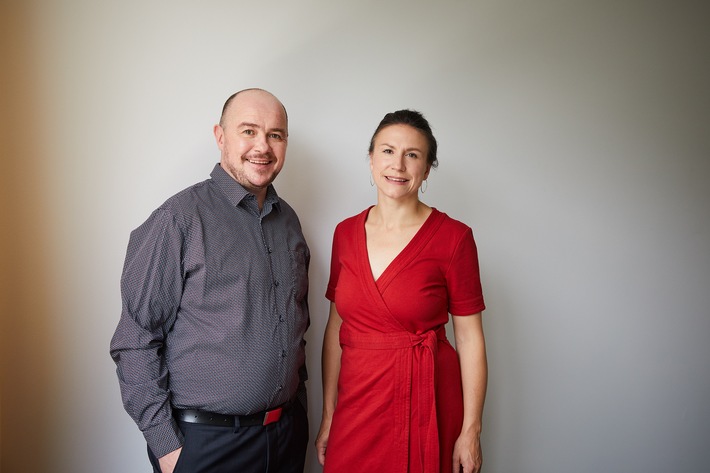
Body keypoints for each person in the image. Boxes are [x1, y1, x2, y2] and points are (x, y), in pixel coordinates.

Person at [110, 88, 310, 473]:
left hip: (285, 437)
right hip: (206, 446)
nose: (262, 146)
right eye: (248, 131)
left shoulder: (289, 222)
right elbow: (135, 340)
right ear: (220, 136)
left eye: (275, 135)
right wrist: (169, 449)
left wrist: (299, 411)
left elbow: (298, 327)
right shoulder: (177, 220)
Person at [315, 110, 488, 473]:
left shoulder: (454, 238)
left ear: (426, 170)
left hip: (425, 403)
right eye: (388, 151)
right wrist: (329, 414)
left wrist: (471, 430)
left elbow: (470, 339)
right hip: (356, 405)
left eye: (412, 154)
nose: (398, 165)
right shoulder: (344, 234)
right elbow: (335, 330)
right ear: (371, 159)